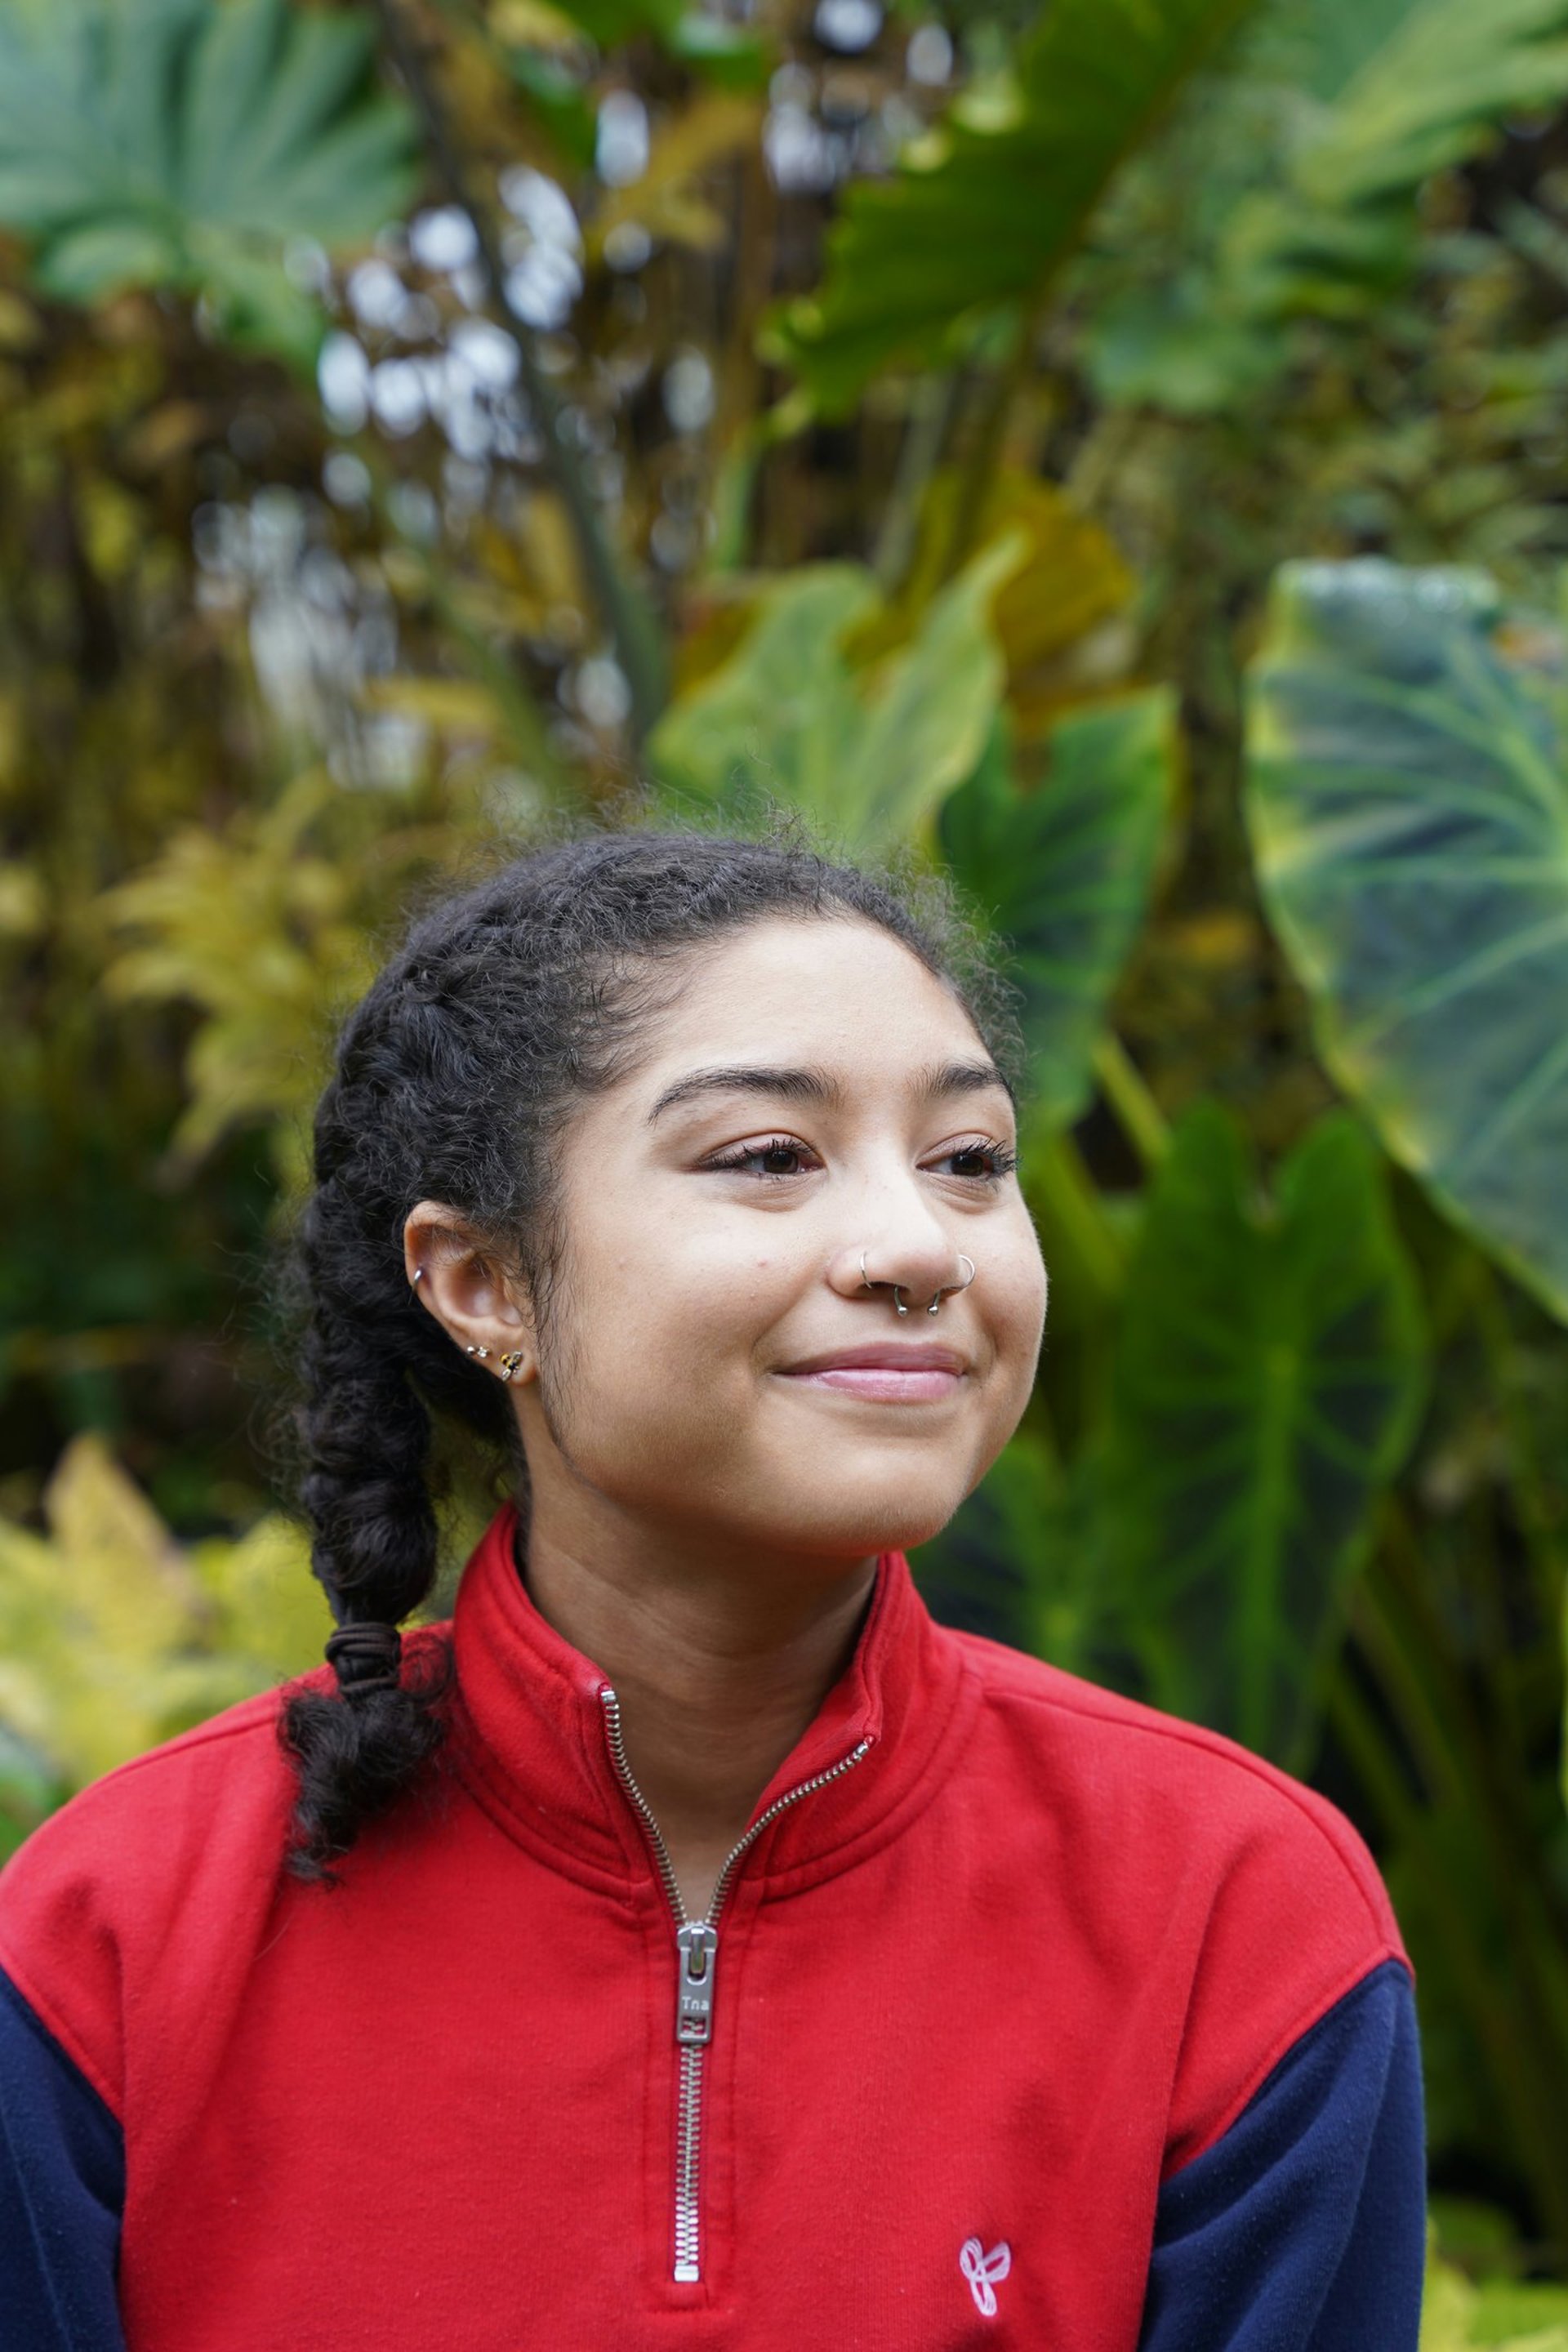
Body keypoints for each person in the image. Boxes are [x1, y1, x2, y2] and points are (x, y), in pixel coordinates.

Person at [0, 831, 1423, 2350]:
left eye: (969, 1161)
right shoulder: (111, 1946)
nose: (914, 1247)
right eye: (768, 1158)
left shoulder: (1239, 1922)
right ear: (485, 1281)